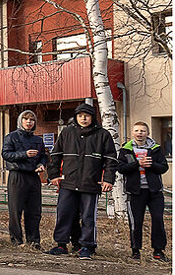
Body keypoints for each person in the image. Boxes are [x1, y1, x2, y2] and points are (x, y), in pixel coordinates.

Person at [46, 102, 118, 260]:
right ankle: (61, 244)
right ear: (76, 117)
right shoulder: (67, 132)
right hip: (68, 182)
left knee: (88, 216)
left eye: (87, 116)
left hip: (90, 184)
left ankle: (87, 246)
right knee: (64, 213)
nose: (83, 119)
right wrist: (53, 175)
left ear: (92, 117)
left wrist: (108, 180)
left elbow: (111, 160)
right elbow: (55, 156)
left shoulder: (103, 135)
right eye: (80, 116)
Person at [118, 121, 169, 262]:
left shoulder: (156, 149)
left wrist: (151, 164)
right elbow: (121, 168)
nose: (140, 133)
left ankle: (158, 251)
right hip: (135, 192)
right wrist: (137, 164)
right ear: (132, 133)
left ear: (148, 133)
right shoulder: (126, 149)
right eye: (137, 130)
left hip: (155, 192)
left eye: (143, 131)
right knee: (136, 222)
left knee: (158, 219)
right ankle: (135, 251)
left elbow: (164, 167)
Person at [1, 110, 48, 249]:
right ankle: (16, 240)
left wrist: (42, 164)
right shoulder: (11, 137)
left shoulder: (38, 140)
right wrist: (24, 154)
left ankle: (34, 241)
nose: (29, 122)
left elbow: (43, 156)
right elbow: (6, 154)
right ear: (20, 121)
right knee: (15, 210)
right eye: (26, 119)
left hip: (33, 177)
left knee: (34, 211)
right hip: (17, 175)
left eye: (32, 120)